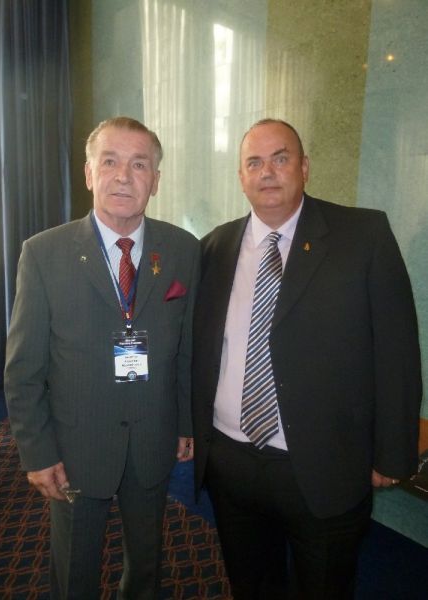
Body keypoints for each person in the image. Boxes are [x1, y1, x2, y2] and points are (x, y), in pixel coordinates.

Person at [192, 118, 422, 599]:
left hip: (325, 463)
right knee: (251, 584)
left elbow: (397, 353)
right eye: (254, 162)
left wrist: (392, 452)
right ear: (241, 177)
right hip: (231, 461)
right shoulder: (214, 247)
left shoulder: (364, 235)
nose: (267, 172)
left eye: (281, 158)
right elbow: (201, 351)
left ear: (305, 167)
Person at [5, 116, 200, 599]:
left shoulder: (183, 250)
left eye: (139, 165)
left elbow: (186, 350)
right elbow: (23, 369)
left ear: (156, 179)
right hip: (76, 446)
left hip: (153, 439)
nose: (123, 176)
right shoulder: (43, 254)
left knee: (147, 561)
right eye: (109, 162)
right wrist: (38, 453)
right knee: (75, 568)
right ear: (89, 173)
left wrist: (185, 422)